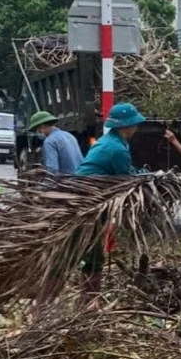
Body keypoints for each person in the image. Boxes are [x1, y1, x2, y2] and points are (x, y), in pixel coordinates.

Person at [75, 102, 146, 307]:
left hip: (88, 199)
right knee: (93, 251)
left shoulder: (111, 141)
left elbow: (128, 173)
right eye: (134, 125)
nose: (136, 129)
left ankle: (89, 299)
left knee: (92, 250)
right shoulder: (117, 148)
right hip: (91, 202)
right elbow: (127, 180)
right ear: (127, 127)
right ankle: (89, 301)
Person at [27, 111, 84, 175]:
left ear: (42, 126)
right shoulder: (69, 136)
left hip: (66, 181)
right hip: (80, 178)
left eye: (37, 129)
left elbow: (52, 170)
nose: (38, 132)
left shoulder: (49, 142)